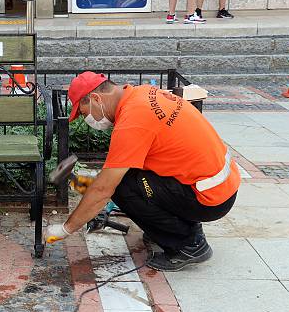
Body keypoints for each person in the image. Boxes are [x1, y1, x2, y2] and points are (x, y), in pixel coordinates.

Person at [44, 72, 240, 271]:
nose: (87, 119)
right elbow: (113, 174)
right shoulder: (141, 94)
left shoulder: (132, 122)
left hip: (210, 199)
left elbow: (104, 190)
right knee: (128, 181)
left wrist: (65, 229)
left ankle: (188, 245)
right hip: (220, 184)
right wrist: (88, 184)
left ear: (96, 99)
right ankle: (178, 228)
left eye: (84, 112)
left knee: (121, 188)